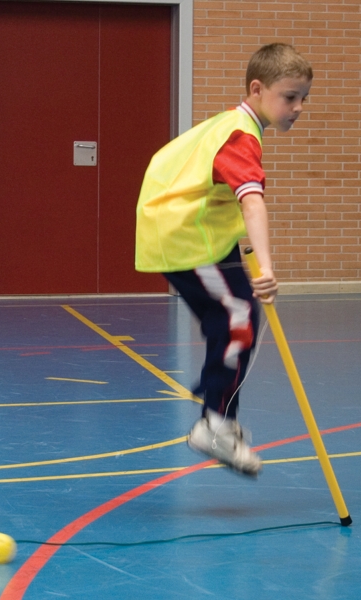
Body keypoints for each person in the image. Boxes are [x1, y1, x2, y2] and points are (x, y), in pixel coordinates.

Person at [135, 43, 313, 476]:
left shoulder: (233, 125)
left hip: (203, 233)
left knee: (235, 318)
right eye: (290, 97)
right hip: (185, 236)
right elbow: (252, 201)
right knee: (237, 316)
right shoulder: (239, 136)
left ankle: (218, 418)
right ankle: (215, 424)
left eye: (304, 98)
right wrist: (266, 267)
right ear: (257, 89)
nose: (298, 107)